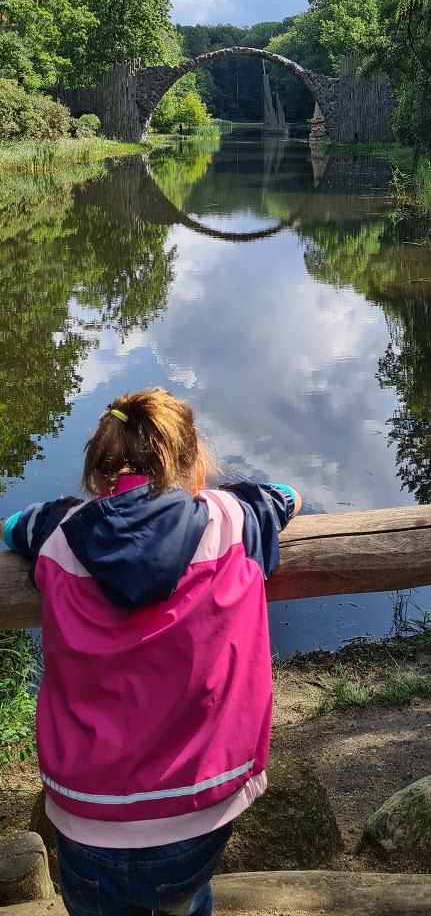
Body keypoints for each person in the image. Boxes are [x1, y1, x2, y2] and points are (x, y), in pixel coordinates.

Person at [1, 387, 301, 916]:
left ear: (98, 472)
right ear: (192, 462)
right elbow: (285, 495)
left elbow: (12, 526)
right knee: (182, 900)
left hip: (88, 818)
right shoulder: (232, 521)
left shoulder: (60, 533)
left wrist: (79, 507)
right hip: (199, 812)